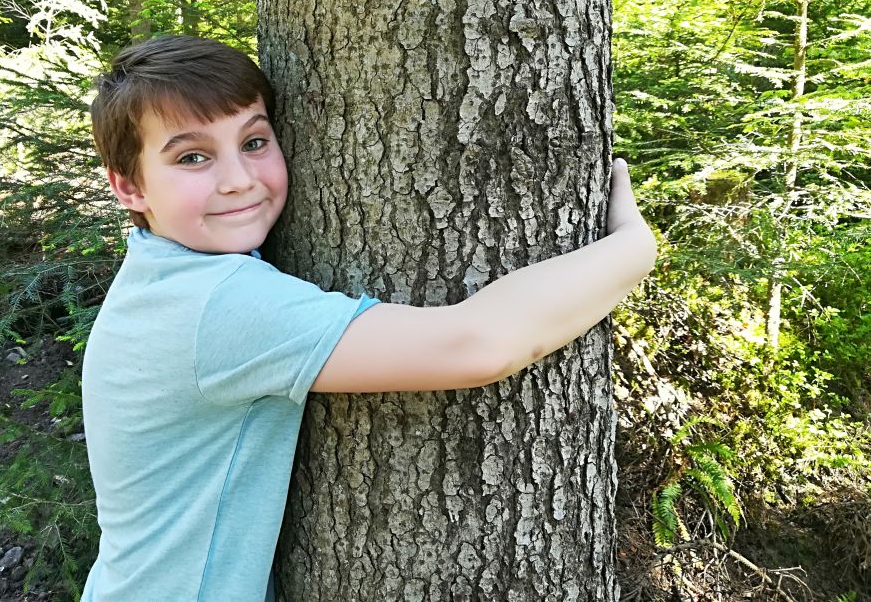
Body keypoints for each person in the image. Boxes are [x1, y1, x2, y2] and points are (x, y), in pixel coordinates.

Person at [79, 35, 657, 601]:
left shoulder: (158, 278)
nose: (238, 179)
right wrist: (634, 248)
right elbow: (477, 345)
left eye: (254, 142)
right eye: (193, 157)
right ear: (129, 186)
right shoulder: (218, 304)